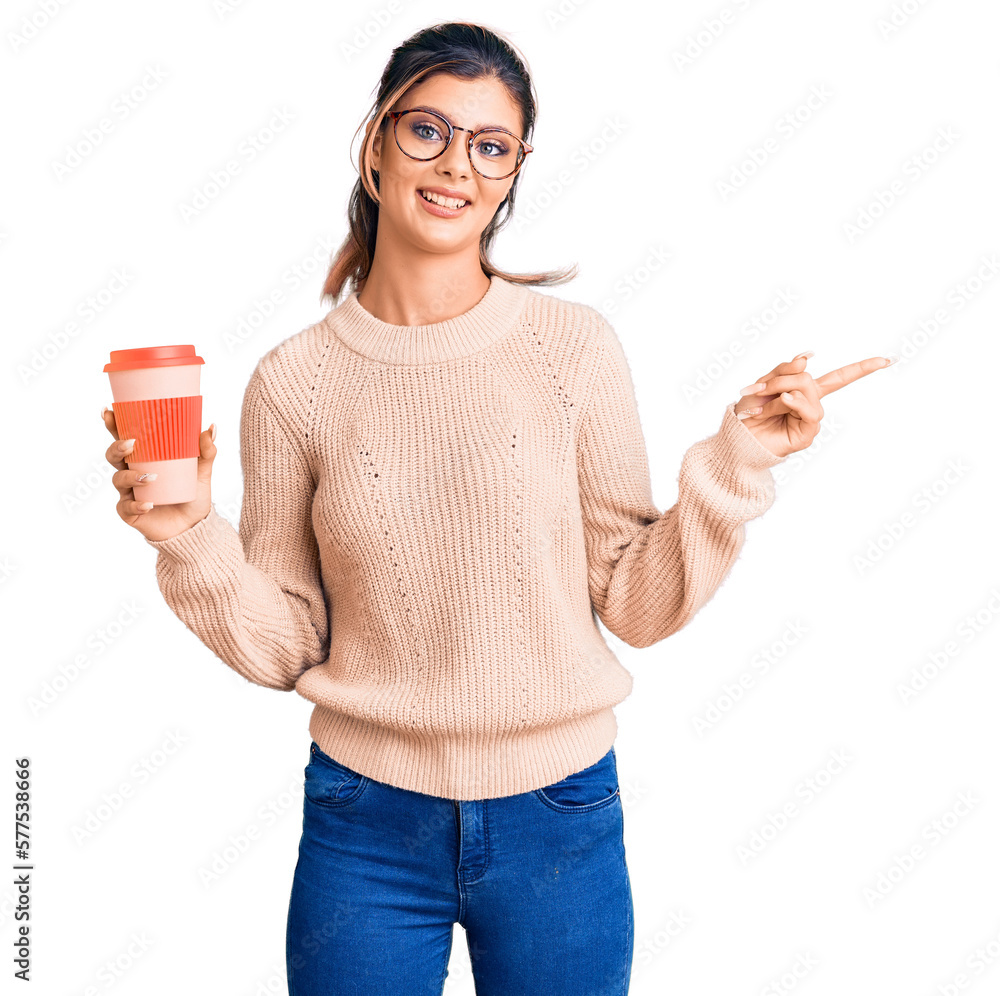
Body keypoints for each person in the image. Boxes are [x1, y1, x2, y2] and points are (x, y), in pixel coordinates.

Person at [101, 21, 893, 996]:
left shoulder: (572, 351)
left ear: (514, 171)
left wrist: (735, 464)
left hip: (558, 817)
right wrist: (185, 535)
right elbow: (289, 645)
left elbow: (635, 607)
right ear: (375, 142)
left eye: (490, 145)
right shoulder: (293, 383)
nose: (455, 166)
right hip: (364, 823)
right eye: (426, 130)